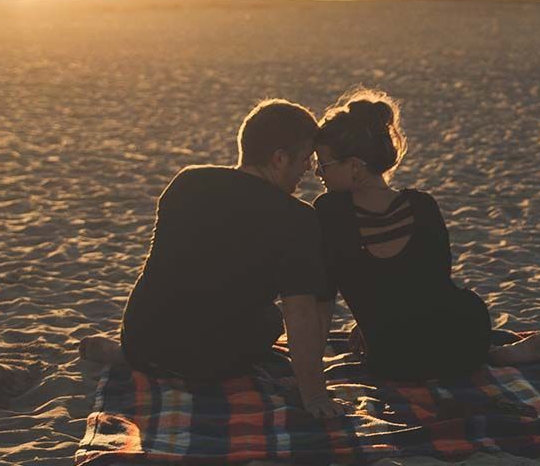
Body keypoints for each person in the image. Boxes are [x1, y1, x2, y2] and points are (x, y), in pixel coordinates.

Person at [79, 99, 344, 418]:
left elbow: (165, 269)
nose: (309, 170)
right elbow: (299, 314)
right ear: (279, 159)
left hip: (140, 339)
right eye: (305, 159)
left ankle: (126, 358)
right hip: (206, 362)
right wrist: (314, 396)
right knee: (271, 320)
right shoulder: (297, 218)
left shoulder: (187, 181)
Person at [312, 89, 540, 380]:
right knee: (463, 306)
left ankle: (491, 356)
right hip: (460, 343)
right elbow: (430, 284)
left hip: (391, 358)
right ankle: (490, 355)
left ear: (354, 166)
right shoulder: (422, 205)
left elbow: (325, 297)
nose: (317, 174)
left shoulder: (329, 212)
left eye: (323, 164)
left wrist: (315, 372)